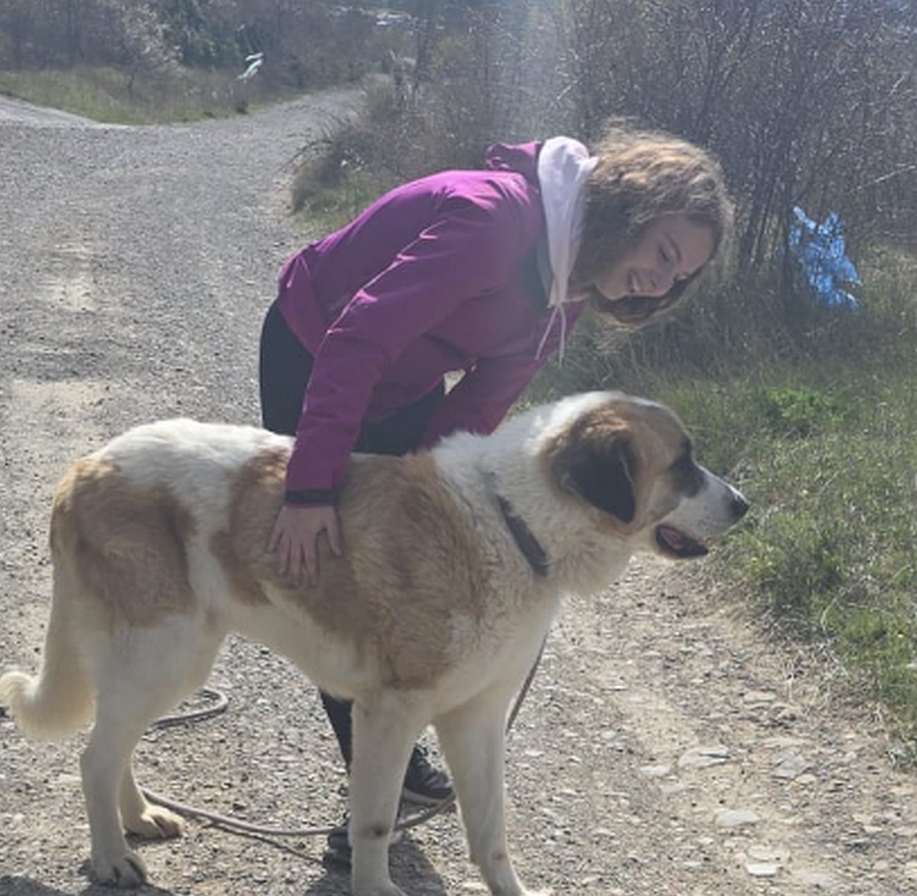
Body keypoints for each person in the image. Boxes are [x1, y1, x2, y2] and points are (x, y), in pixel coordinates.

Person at [258, 121, 733, 850]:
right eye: (664, 253)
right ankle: (372, 772)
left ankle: (386, 741)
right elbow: (357, 340)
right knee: (338, 560)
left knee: (405, 560)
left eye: (679, 277)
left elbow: (476, 409)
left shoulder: (568, 292)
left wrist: (435, 518)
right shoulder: (491, 226)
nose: (660, 281)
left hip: (404, 374)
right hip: (316, 344)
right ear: (628, 210)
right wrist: (309, 490)